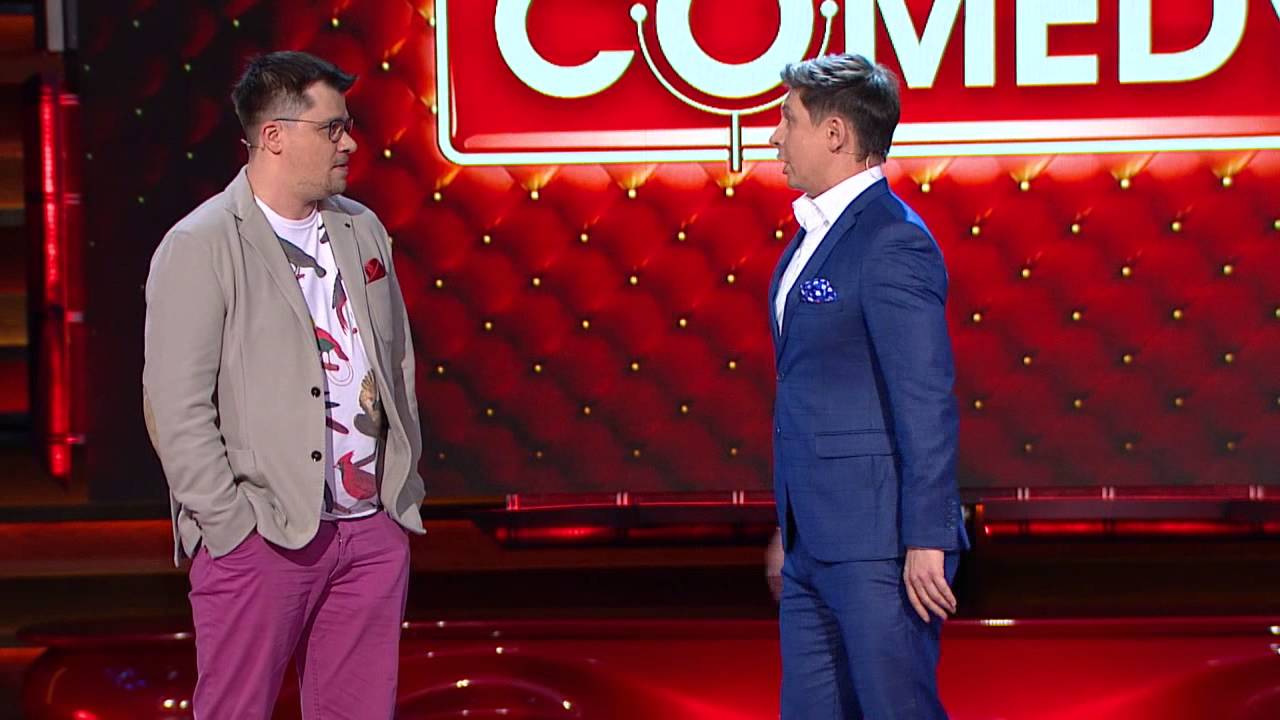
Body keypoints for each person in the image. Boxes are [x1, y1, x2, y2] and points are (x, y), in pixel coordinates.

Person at [142, 51, 425, 719]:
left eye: (347, 126)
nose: (349, 143)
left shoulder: (362, 229)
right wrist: (230, 526)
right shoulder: (202, 243)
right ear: (273, 135)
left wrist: (397, 496)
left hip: (369, 531)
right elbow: (176, 409)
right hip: (262, 533)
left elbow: (396, 365)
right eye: (332, 128)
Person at [764, 53, 968, 719]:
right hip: (812, 544)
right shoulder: (810, 238)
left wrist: (928, 537)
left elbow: (925, 397)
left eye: (787, 120)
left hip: (881, 546)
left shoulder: (891, 241)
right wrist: (790, 524)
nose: (774, 136)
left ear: (835, 134)